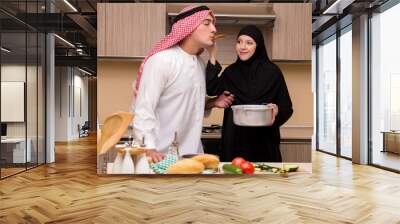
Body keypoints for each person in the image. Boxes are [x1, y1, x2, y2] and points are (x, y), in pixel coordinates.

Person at [133, 5, 234, 163]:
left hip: (192, 156)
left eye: (213, 24)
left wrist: (212, 103)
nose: (214, 29)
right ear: (188, 28)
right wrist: (148, 148)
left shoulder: (199, 63)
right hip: (159, 156)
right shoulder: (161, 60)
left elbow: (188, 105)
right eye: (207, 23)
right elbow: (143, 108)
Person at [206, 25, 293, 162]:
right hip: (234, 143)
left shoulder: (272, 72)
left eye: (249, 43)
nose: (242, 47)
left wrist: (276, 110)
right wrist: (212, 54)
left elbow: (287, 108)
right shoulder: (231, 72)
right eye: (239, 42)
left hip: (264, 143)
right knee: (233, 181)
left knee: (265, 180)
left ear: (257, 46)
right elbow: (211, 88)